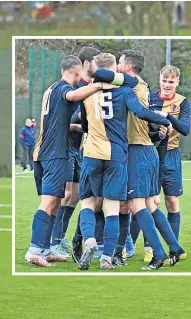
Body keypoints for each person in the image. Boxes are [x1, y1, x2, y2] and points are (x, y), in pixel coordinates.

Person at [76, 53, 171, 270]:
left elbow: (84, 126)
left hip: (91, 153)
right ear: (114, 71)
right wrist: (165, 119)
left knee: (88, 203)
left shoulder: (87, 94)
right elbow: (140, 112)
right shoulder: (126, 92)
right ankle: (107, 258)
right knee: (112, 208)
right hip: (117, 155)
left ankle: (89, 240)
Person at [24, 55, 113, 267]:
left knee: (56, 201)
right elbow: (73, 96)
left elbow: (60, 119)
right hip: (53, 154)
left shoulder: (51, 89)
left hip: (50, 152)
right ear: (76, 72)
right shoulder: (64, 88)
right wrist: (99, 85)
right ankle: (34, 250)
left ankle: (45, 248)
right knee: (48, 202)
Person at [113, 49, 185, 270]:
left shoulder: (131, 84)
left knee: (135, 204)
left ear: (127, 67)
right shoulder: (142, 85)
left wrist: (95, 68)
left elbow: (106, 75)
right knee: (150, 205)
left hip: (138, 151)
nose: (116, 65)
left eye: (119, 62)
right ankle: (175, 248)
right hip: (147, 152)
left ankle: (158, 254)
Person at [49, 46, 101, 261]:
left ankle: (64, 239)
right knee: (66, 195)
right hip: (67, 147)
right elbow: (65, 122)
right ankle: (54, 241)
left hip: (81, 149)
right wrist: (82, 127)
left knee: (78, 195)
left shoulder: (87, 87)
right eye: (96, 62)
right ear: (87, 64)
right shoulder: (75, 87)